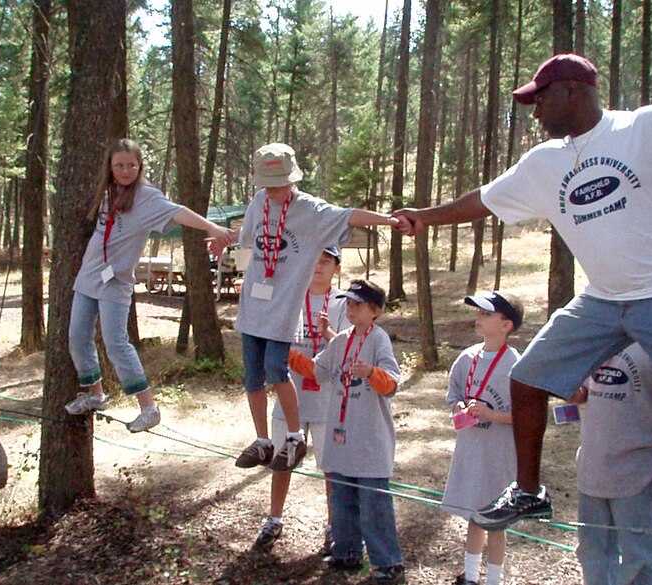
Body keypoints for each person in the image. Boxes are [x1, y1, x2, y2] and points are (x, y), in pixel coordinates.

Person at [393, 53, 652, 530]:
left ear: (571, 91)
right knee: (528, 377)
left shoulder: (646, 128)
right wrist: (425, 216)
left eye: (540, 99)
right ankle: (529, 491)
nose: (534, 112)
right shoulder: (545, 164)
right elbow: (484, 200)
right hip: (603, 299)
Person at [227, 143, 401, 473]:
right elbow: (246, 236)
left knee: (276, 370)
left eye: (279, 182)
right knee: (252, 376)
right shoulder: (259, 202)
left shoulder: (310, 210)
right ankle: (263, 440)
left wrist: (390, 221)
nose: (274, 190)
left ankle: (294, 437)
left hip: (282, 308)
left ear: (292, 179)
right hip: (253, 307)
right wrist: (225, 238)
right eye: (268, 183)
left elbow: (350, 215)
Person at [64, 139, 237, 432]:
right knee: (78, 337)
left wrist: (212, 228)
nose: (126, 170)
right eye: (119, 165)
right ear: (110, 166)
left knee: (116, 343)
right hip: (88, 277)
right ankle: (95, 394)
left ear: (140, 166)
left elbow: (179, 211)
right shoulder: (106, 193)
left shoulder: (145, 197)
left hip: (115, 282)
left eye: (132, 165)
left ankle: (148, 407)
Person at [289, 279, 405, 585]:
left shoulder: (379, 340)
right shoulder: (339, 340)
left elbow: (392, 383)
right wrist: (286, 354)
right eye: (348, 304)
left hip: (370, 438)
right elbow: (318, 370)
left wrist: (372, 373)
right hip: (340, 436)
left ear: (375, 310)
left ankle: (387, 561)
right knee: (341, 498)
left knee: (373, 504)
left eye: (358, 305)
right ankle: (347, 552)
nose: (351, 310)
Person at [254, 247, 349, 554]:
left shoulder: (345, 303)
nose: (318, 266)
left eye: (326, 261)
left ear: (337, 267)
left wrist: (327, 335)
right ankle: (274, 518)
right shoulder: (290, 295)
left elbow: (349, 350)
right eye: (314, 259)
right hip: (290, 397)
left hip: (328, 401)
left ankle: (334, 525)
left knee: (331, 468)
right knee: (282, 463)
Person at [571, 343, 652, 585]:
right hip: (594, 470)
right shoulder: (600, 338)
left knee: (639, 558)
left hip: (640, 474)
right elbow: (581, 392)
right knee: (592, 552)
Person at [442, 292, 523, 585]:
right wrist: (459, 408)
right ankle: (472, 577)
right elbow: (453, 395)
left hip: (498, 454)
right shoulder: (467, 358)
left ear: (507, 326)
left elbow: (525, 416)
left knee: (496, 520)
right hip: (471, 451)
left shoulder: (516, 365)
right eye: (479, 313)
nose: (479, 318)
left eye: (487, 314)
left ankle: (494, 579)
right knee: (474, 516)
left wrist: (491, 414)